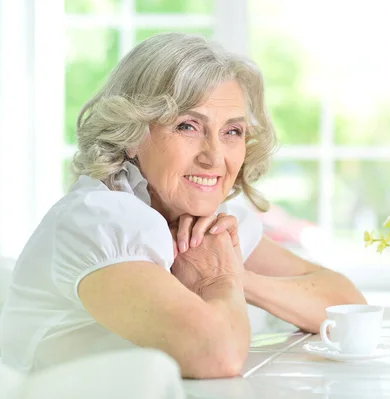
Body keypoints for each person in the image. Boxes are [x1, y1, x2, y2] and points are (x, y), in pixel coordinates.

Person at [0, 33, 366, 379]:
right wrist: (219, 280)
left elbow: (349, 306)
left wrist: (240, 279)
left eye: (232, 132)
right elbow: (216, 354)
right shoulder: (99, 219)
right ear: (131, 135)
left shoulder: (205, 223)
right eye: (188, 126)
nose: (214, 156)